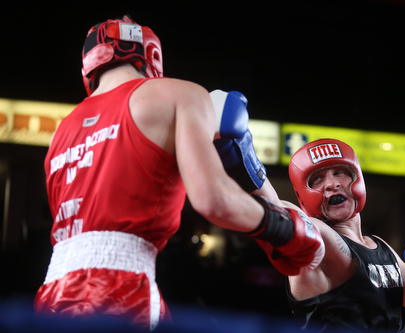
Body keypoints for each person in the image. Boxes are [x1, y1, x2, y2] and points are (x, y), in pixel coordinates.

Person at [34, 16, 324, 331]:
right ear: (151, 54)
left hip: (51, 292)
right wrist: (282, 229)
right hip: (122, 290)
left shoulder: (62, 131)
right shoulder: (177, 94)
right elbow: (213, 201)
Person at [218, 131, 405, 331]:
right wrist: (240, 159)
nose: (332, 184)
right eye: (317, 179)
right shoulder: (319, 237)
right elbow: (278, 211)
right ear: (303, 195)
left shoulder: (380, 246)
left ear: (357, 179)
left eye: (340, 173)